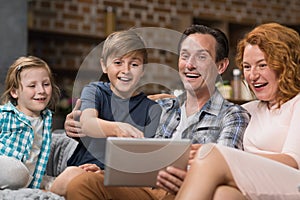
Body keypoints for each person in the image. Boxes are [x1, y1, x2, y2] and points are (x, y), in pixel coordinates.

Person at [61, 24, 250, 200]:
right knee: (82, 184)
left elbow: (225, 166)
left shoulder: (232, 115)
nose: (190, 64)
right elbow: (124, 135)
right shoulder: (161, 107)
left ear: (221, 66)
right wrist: (78, 128)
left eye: (201, 57)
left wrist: (191, 175)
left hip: (187, 189)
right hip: (144, 186)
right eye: (185, 56)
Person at [175, 22, 300, 200]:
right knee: (222, 194)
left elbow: (293, 162)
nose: (252, 75)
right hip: (256, 186)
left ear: (286, 66)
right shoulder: (248, 110)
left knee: (212, 154)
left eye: (262, 65)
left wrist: (229, 157)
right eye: (247, 67)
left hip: (294, 184)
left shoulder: (297, 103)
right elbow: (207, 107)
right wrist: (168, 100)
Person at [50, 29, 162, 195]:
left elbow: (141, 161)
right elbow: (88, 123)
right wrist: (118, 128)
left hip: (120, 179)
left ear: (143, 69)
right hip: (84, 168)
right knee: (71, 176)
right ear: (104, 65)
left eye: (134, 64)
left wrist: (106, 173)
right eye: (118, 62)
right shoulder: (95, 91)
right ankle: (44, 192)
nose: (126, 70)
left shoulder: (152, 109)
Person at [0, 56, 60, 189]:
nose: (41, 91)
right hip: (6, 170)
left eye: (46, 84)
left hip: (27, 179)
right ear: (15, 92)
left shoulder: (46, 121)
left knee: (60, 182)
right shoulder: (4, 115)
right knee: (16, 173)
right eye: (32, 85)